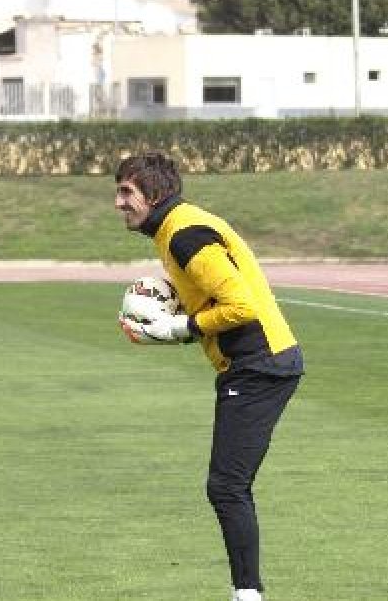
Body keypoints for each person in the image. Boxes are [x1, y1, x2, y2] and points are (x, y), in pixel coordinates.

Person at [113, 153, 303, 601]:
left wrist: (177, 327)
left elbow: (241, 306)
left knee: (227, 485)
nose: (118, 202)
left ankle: (248, 595)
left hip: (260, 364)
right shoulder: (176, 227)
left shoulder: (184, 233)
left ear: (154, 194)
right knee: (229, 485)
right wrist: (172, 314)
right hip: (256, 363)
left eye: (127, 192)